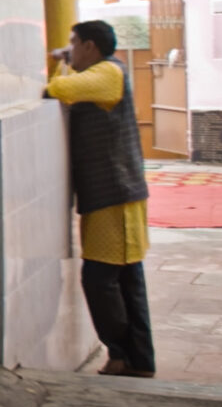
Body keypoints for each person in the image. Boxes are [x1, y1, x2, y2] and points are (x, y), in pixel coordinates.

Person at [45, 19, 154, 377]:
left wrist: (60, 63)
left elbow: (57, 88)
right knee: (123, 279)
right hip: (113, 196)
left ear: (90, 46)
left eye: (74, 43)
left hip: (115, 197)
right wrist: (65, 58)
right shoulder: (107, 72)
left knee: (102, 279)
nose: (70, 49)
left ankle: (124, 354)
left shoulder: (108, 73)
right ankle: (133, 358)